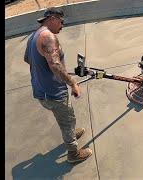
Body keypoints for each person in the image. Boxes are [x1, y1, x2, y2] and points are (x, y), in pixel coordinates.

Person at [23, 7, 92, 163]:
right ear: (52, 18)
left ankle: (72, 134)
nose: (63, 25)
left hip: (41, 91)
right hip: (54, 93)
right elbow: (55, 65)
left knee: (63, 118)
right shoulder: (48, 37)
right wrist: (73, 82)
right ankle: (73, 154)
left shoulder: (34, 35)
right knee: (67, 121)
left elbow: (27, 59)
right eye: (61, 22)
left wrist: (44, 71)